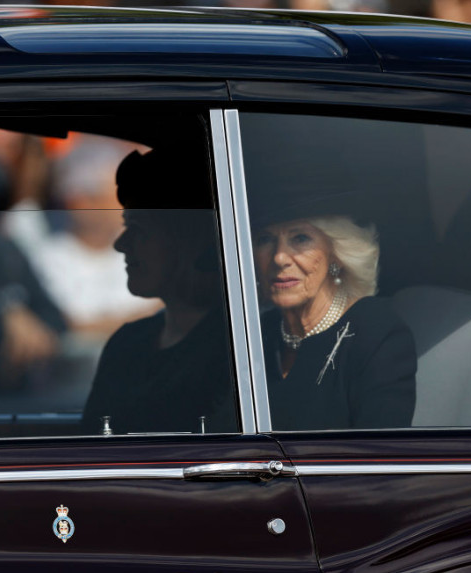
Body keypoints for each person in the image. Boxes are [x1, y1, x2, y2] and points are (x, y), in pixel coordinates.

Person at [81, 147, 238, 435]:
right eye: (126, 226)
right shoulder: (127, 343)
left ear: (187, 239)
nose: (120, 244)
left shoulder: (236, 352)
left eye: (138, 229)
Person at [252, 209, 416, 430]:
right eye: (265, 239)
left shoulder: (375, 332)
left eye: (300, 238)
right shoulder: (252, 332)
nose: (279, 258)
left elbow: (381, 448)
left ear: (335, 254)